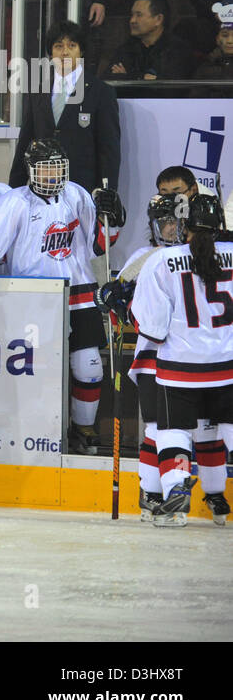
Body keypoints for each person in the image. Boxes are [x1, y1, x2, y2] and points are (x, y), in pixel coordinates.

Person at [0, 138, 123, 454]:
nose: (51, 176)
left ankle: (84, 428)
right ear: (31, 171)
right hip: (35, 297)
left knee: (89, 367)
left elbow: (99, 246)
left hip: (80, 292)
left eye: (56, 169)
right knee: (39, 372)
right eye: (44, 170)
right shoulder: (14, 202)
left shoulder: (78, 194)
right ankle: (41, 433)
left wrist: (112, 218)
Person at [130, 192, 233, 526]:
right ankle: (217, 497)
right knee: (222, 430)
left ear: (186, 224)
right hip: (228, 364)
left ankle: (176, 491)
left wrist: (121, 306)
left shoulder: (161, 261)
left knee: (170, 429)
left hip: (179, 368)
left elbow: (152, 326)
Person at [95, 192, 182, 520]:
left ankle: (179, 489)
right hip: (155, 356)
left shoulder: (197, 255)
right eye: (165, 222)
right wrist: (111, 297)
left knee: (184, 430)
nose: (172, 228)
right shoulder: (147, 256)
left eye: (177, 221)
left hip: (194, 358)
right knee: (160, 428)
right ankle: (151, 491)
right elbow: (115, 292)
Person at [10, 20, 120, 193]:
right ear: (51, 53)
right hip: (42, 189)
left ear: (81, 51)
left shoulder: (101, 92)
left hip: (82, 190)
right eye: (58, 46)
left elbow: (109, 150)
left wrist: (106, 193)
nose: (65, 52)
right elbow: (25, 143)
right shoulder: (38, 93)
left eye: (72, 45)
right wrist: (14, 190)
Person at [106, 0, 196, 94]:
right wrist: (144, 79)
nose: (132, 20)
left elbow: (170, 90)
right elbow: (108, 82)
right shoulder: (126, 49)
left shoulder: (178, 49)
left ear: (158, 19)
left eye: (139, 15)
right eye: (132, 15)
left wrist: (128, 76)